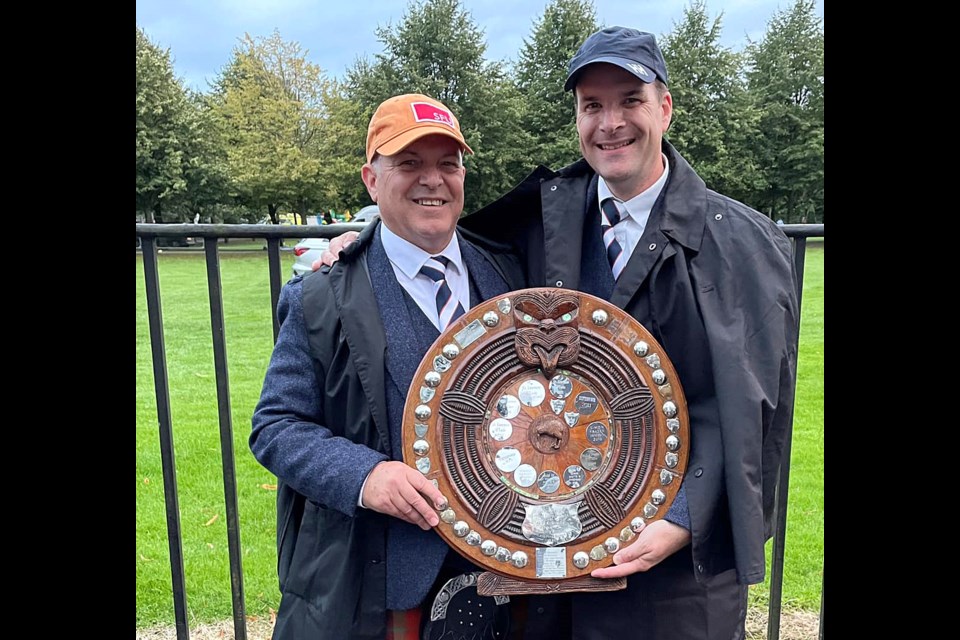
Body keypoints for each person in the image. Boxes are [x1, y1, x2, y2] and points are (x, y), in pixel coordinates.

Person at [319, 26, 799, 640]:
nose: (611, 123)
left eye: (630, 100)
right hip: (552, 577)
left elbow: (756, 412)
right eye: (592, 105)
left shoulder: (743, 243)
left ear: (665, 108)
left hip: (674, 578)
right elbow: (435, 230)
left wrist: (680, 521)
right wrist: (361, 245)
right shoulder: (545, 214)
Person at [250, 93, 524, 639]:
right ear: (371, 180)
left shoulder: (513, 274)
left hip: (507, 578)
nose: (433, 180)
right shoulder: (319, 296)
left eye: (448, 164)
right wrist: (365, 475)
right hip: (378, 585)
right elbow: (276, 427)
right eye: (409, 164)